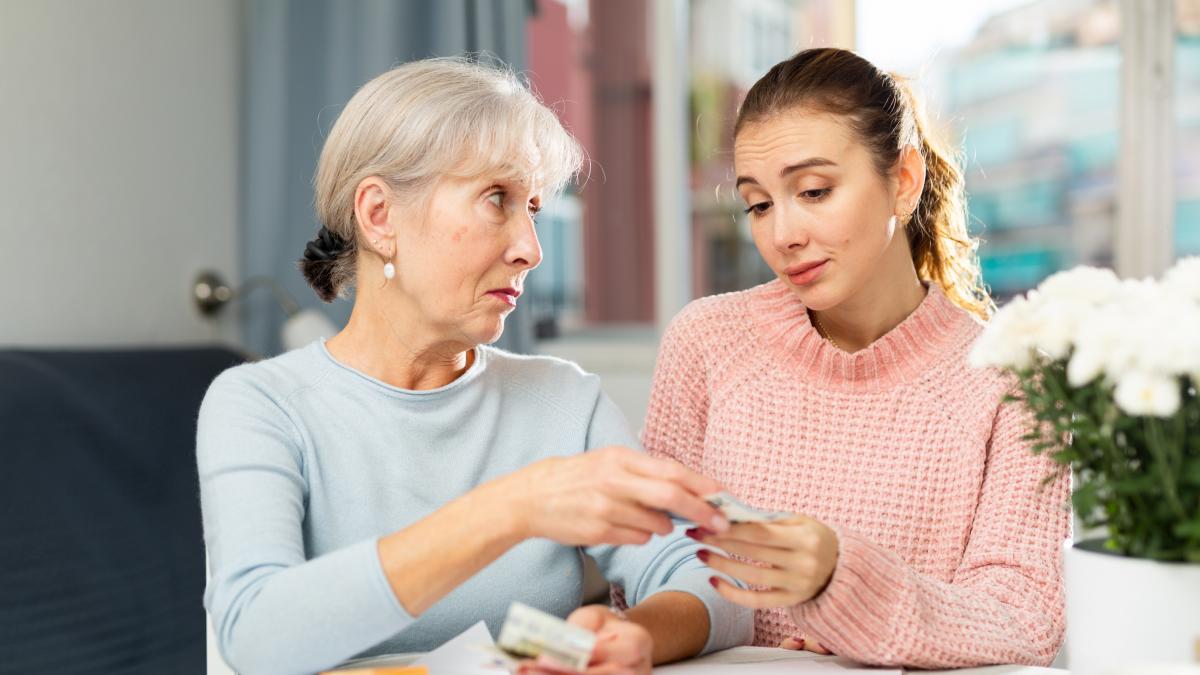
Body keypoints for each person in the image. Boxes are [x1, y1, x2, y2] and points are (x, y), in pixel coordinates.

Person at [198, 57, 752, 675]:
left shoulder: (563, 402)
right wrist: (508, 509)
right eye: (497, 199)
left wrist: (638, 634)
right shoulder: (259, 404)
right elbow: (255, 636)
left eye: (534, 209)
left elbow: (717, 584)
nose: (532, 250)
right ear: (380, 216)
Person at [643, 48, 1069, 669]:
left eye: (814, 191)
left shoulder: (1016, 378)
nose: (783, 234)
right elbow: (649, 564)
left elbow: (1024, 618)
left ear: (903, 181)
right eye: (759, 204)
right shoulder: (706, 342)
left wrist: (845, 589)